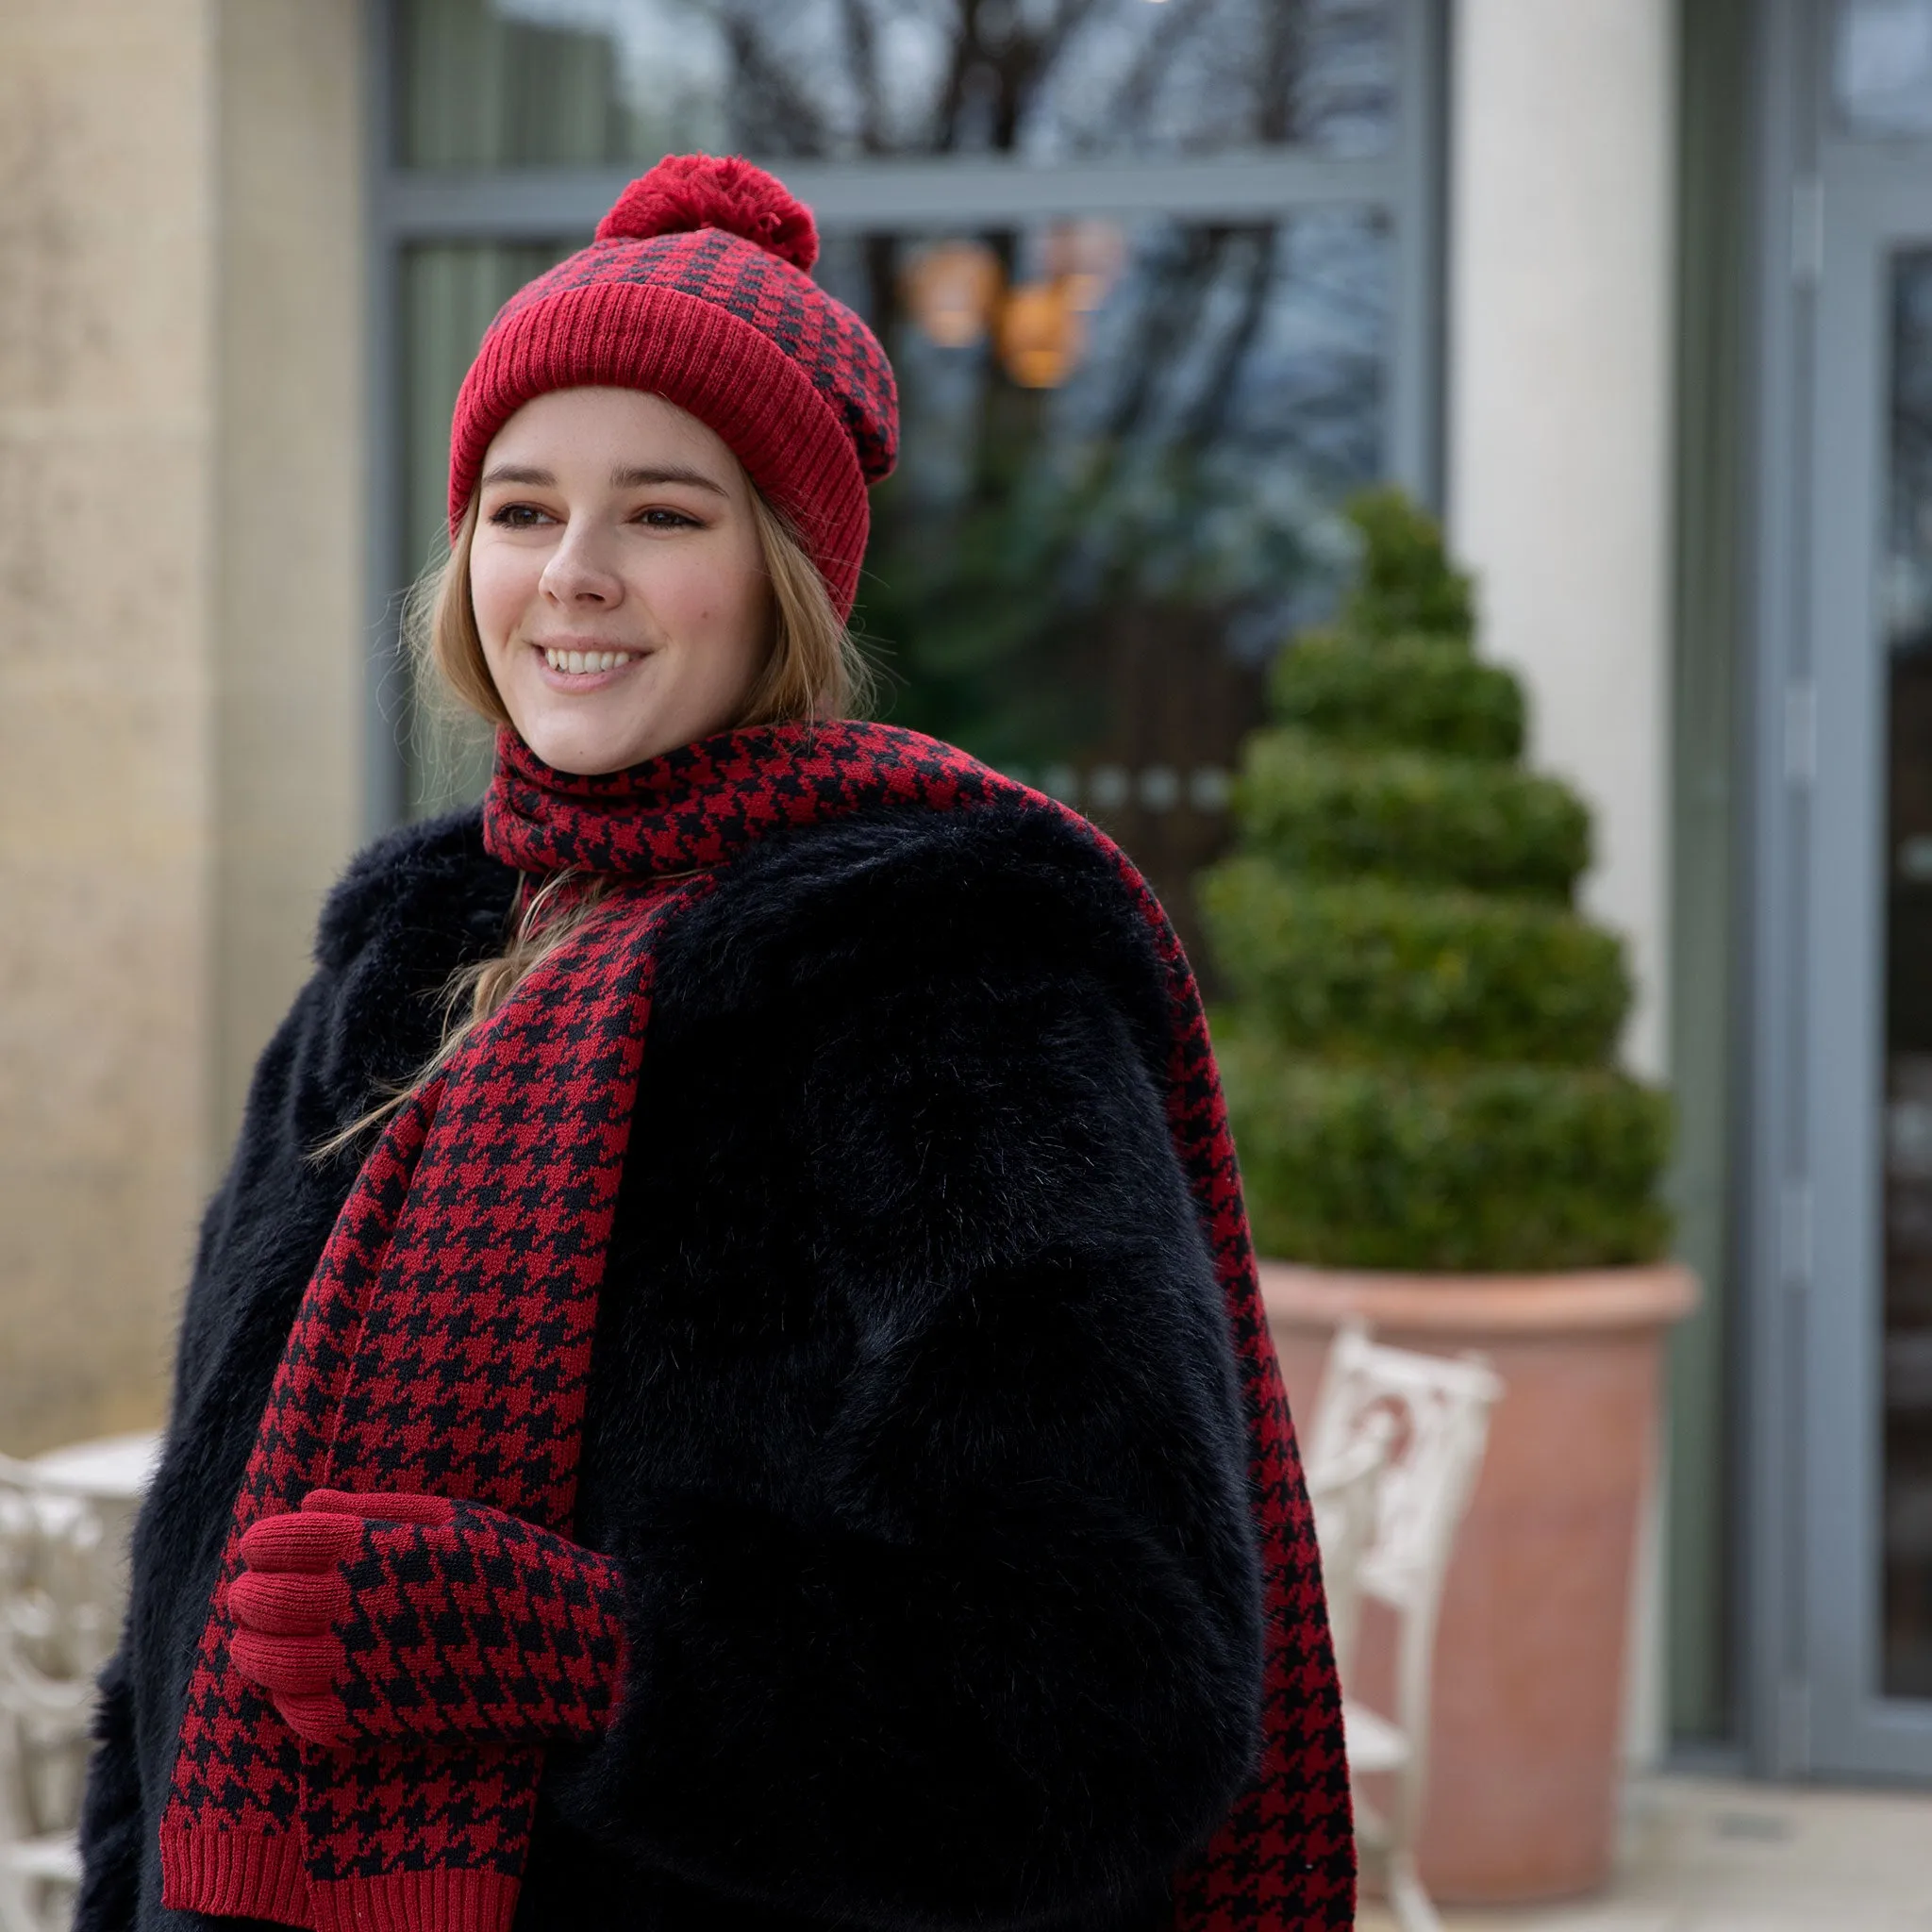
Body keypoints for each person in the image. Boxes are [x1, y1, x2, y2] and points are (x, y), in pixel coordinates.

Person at [75, 155, 1352, 1932]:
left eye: (662, 515)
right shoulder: (403, 957)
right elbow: (186, 1606)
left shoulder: (941, 980)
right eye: (521, 511)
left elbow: (1122, 1697)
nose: (573, 576)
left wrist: (597, 1659)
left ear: (786, 576)